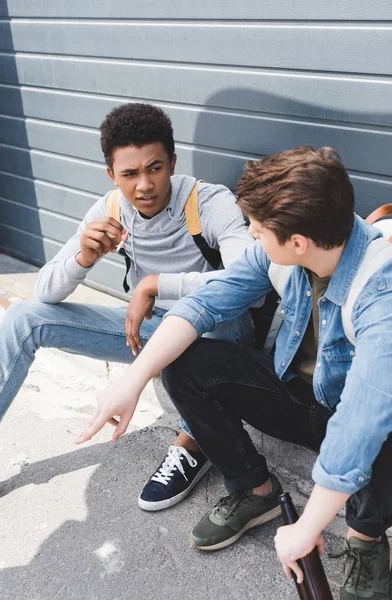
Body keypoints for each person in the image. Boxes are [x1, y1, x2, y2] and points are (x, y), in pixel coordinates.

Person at [78, 146, 392, 600]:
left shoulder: (380, 292)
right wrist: (133, 380)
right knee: (186, 363)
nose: (250, 235)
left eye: (259, 230)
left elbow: (361, 422)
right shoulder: (285, 251)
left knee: (379, 423)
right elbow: (207, 301)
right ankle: (255, 490)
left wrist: (306, 528)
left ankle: (367, 542)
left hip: (370, 417)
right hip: (306, 396)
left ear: (298, 241)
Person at [0, 103, 255, 506]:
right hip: (148, 330)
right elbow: (44, 290)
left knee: (227, 314)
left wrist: (155, 285)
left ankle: (192, 443)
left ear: (172, 162)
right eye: (130, 174)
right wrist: (82, 258)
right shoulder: (111, 208)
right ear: (112, 175)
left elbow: (247, 280)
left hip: (210, 329)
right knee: (22, 317)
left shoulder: (208, 201)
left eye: (155, 168)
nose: (144, 185)